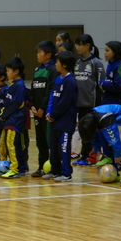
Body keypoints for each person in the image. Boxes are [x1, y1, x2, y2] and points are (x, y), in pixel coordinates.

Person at [43, 51, 79, 182]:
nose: (55, 64)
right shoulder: (58, 79)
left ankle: (66, 174)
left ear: (64, 65)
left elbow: (65, 102)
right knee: (53, 148)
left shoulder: (70, 81)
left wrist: (54, 114)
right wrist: (49, 112)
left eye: (57, 62)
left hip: (65, 122)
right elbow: (53, 98)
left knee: (64, 148)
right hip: (55, 121)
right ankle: (55, 171)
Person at [72, 34, 105, 166]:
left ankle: (90, 157)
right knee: (82, 130)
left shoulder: (96, 63)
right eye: (76, 44)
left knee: (91, 130)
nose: (77, 47)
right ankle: (85, 156)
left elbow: (101, 85)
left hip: (92, 104)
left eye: (80, 44)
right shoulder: (77, 63)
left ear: (88, 46)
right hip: (79, 104)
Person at [29, 40, 59, 177]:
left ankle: (53, 167)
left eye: (40, 52)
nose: (37, 55)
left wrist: (42, 108)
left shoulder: (53, 70)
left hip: (46, 113)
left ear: (48, 55)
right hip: (37, 113)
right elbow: (33, 90)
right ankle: (41, 167)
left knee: (49, 141)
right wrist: (32, 105)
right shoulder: (37, 70)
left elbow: (51, 91)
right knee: (40, 141)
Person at [78, 104, 121, 184]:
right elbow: (94, 135)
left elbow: (114, 138)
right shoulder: (91, 120)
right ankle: (115, 173)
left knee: (111, 145)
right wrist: (97, 150)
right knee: (104, 137)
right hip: (110, 121)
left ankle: (110, 159)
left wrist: (118, 154)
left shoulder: (103, 118)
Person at [0, 57, 27, 179]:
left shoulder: (19, 85)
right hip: (10, 120)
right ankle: (18, 167)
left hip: (15, 121)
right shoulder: (13, 84)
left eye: (8, 71)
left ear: (16, 71)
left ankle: (15, 169)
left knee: (12, 144)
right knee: (11, 144)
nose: (6, 73)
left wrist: (4, 115)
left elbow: (15, 104)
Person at [100, 41, 121, 105]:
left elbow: (118, 85)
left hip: (116, 103)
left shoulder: (119, 66)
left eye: (107, 51)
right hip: (108, 101)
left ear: (115, 52)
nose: (105, 53)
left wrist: (103, 84)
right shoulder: (110, 65)